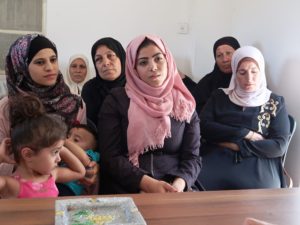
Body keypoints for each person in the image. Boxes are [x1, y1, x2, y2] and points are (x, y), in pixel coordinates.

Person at [98, 34, 201, 194]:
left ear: (168, 61)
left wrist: (179, 185)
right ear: (134, 69)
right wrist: (147, 184)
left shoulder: (184, 103)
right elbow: (110, 156)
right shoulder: (117, 100)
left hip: (177, 186)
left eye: (158, 59)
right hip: (128, 185)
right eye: (143, 62)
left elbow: (192, 157)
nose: (153, 67)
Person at [0, 34, 97, 187]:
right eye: (40, 62)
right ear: (21, 67)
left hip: (69, 187)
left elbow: (85, 147)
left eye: (53, 60)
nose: (49, 67)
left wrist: (91, 167)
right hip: (19, 190)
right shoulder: (8, 107)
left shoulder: (74, 104)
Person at [197, 46, 290, 190]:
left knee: (262, 191)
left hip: (259, 159)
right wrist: (244, 133)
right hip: (217, 156)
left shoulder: (275, 102)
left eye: (254, 71)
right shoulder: (220, 96)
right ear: (234, 73)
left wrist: (236, 145)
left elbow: (279, 146)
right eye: (242, 72)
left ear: (261, 72)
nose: (249, 79)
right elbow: (203, 126)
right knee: (197, 183)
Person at [0, 95, 85, 198]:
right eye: (55, 153)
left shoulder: (52, 176)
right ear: (28, 154)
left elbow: (80, 172)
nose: (59, 158)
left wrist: (60, 147)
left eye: (59, 152)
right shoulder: (10, 184)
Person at [81, 37, 126, 126]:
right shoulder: (90, 89)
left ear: (121, 58)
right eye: (99, 59)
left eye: (111, 56)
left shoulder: (137, 86)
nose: (105, 63)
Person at [193, 36, 240, 114]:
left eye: (228, 53)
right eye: (219, 55)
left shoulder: (247, 79)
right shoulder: (207, 82)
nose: (225, 59)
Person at [57, 122, 100, 196]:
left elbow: (83, 159)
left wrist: (63, 140)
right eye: (67, 136)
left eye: (76, 140)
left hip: (69, 190)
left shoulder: (91, 154)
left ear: (91, 148)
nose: (69, 140)